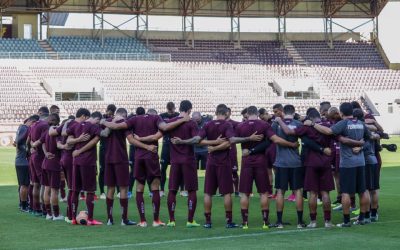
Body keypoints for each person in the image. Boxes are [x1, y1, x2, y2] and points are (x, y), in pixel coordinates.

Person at [101, 108, 190, 227]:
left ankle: (142, 221)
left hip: (136, 157)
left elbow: (116, 131)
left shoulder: (133, 119)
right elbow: (162, 130)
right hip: (150, 156)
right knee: (154, 187)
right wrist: (183, 119)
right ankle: (155, 220)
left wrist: (103, 121)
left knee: (138, 188)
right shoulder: (156, 118)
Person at [171, 104, 239, 229]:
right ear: (226, 113)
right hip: (223, 162)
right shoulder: (227, 125)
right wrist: (248, 138)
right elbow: (230, 141)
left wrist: (182, 141)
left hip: (210, 162)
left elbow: (197, 140)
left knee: (208, 192)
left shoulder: (208, 124)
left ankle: (208, 222)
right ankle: (229, 221)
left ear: (216, 112)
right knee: (227, 193)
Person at [306, 102, 373, 227]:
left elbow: (328, 131)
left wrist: (313, 124)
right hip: (361, 162)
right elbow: (370, 138)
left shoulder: (343, 123)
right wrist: (361, 147)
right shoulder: (360, 123)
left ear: (341, 113)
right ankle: (363, 218)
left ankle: (347, 221)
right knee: (363, 191)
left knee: (346, 192)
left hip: (347, 163)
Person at [233, 106, 299, 229]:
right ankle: (265, 222)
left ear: (247, 114)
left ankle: (245, 223)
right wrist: (291, 144)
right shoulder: (263, 125)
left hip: (246, 162)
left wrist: (247, 140)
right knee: (263, 193)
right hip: (260, 162)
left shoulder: (241, 126)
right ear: (257, 113)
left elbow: (233, 140)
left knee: (245, 194)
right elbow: (275, 140)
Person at [275, 108, 335, 228]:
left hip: (310, 162)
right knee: (325, 193)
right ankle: (327, 221)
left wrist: (279, 121)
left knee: (312, 193)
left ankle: (313, 222)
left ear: (310, 117)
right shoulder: (328, 125)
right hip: (325, 162)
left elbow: (289, 132)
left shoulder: (307, 127)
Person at [164, 100, 200, 227]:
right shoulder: (191, 123)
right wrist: (183, 142)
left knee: (172, 190)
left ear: (179, 108)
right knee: (191, 190)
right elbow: (197, 139)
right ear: (190, 109)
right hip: (188, 160)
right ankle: (190, 220)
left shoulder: (171, 122)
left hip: (174, 160)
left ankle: (171, 220)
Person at [271, 105, 306, 229]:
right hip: (296, 162)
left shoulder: (275, 124)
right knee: (297, 191)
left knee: (280, 191)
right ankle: (300, 222)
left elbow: (273, 140)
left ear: (283, 112)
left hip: (281, 162)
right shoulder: (298, 124)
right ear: (294, 112)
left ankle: (279, 222)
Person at [67, 110, 103, 225]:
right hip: (88, 161)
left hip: (76, 161)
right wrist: (80, 150)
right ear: (87, 116)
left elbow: (68, 141)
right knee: (90, 191)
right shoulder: (93, 126)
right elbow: (96, 140)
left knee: (75, 190)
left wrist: (77, 144)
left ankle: (73, 218)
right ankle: (91, 219)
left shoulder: (74, 125)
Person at [103, 108, 136, 226]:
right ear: (124, 115)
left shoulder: (107, 121)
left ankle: (109, 219)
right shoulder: (124, 124)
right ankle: (124, 219)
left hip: (108, 158)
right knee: (123, 188)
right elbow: (130, 140)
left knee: (110, 188)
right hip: (121, 158)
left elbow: (104, 133)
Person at [41, 113, 64, 221]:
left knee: (47, 189)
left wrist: (46, 153)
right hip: (54, 164)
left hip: (45, 163)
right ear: (57, 121)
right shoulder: (56, 132)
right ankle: (56, 215)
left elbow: (42, 143)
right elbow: (59, 146)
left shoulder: (46, 131)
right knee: (55, 190)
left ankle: (48, 214)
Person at [28, 106, 50, 216]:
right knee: (44, 184)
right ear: (48, 116)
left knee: (35, 184)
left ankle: (35, 208)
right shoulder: (45, 125)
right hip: (40, 157)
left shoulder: (33, 125)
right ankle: (44, 209)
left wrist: (32, 146)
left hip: (33, 156)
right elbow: (43, 141)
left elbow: (30, 141)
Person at [15, 115, 38, 212]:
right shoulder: (25, 128)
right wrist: (28, 149)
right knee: (25, 185)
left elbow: (17, 142)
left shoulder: (21, 127)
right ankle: (24, 205)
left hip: (20, 160)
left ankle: (22, 203)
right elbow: (19, 142)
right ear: (32, 121)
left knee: (22, 184)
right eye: (34, 123)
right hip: (23, 161)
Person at [159, 102, 180, 197]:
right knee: (163, 168)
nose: (171, 112)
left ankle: (180, 189)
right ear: (167, 108)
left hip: (176, 144)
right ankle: (162, 189)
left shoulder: (178, 116)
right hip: (166, 144)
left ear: (175, 108)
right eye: (169, 110)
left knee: (178, 167)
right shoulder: (162, 116)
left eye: (172, 110)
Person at [99, 104, 117, 200]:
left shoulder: (116, 119)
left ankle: (117, 191)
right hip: (104, 147)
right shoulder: (102, 119)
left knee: (114, 169)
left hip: (111, 147)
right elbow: (103, 133)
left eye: (112, 111)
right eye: (109, 111)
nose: (110, 113)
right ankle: (102, 192)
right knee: (102, 170)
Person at [226, 108, 240, 197]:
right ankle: (224, 191)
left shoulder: (235, 124)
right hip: (221, 151)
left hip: (231, 151)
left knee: (234, 171)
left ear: (230, 113)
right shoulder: (218, 123)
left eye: (227, 112)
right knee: (223, 171)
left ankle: (237, 191)